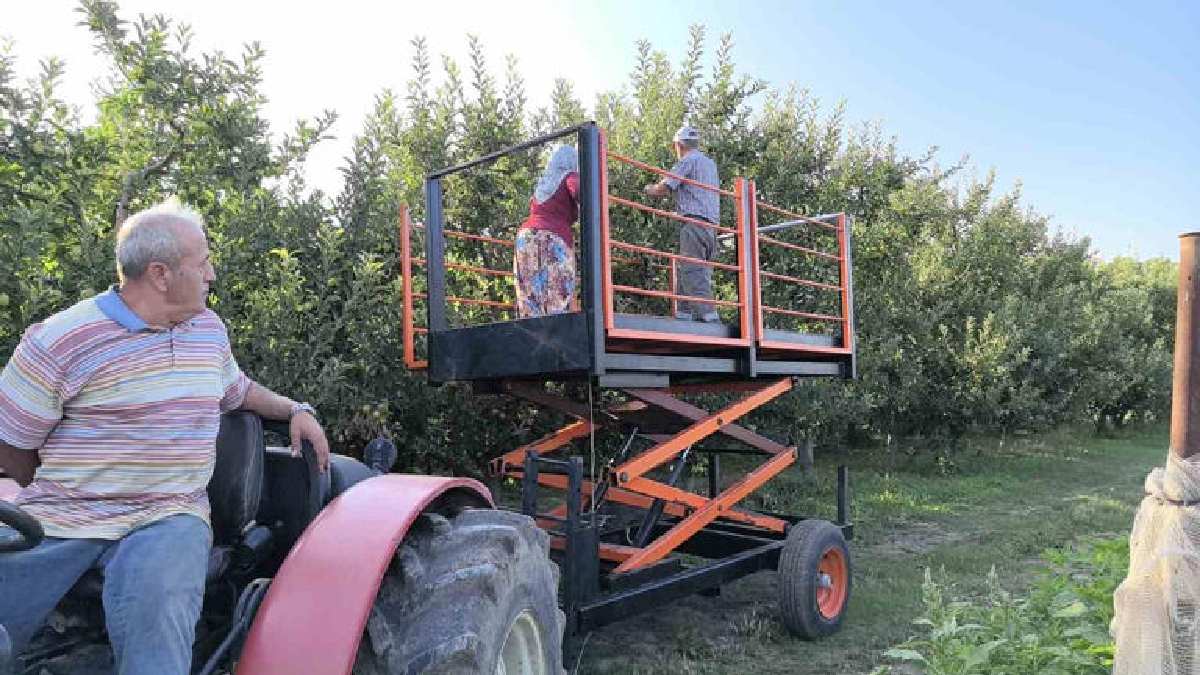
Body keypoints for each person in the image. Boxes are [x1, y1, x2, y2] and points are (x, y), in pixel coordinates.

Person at [0, 199, 330, 675]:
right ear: (160, 274)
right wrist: (67, 494)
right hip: (61, 517)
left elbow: (235, 390)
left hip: (166, 515)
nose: (212, 274)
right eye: (204, 263)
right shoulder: (61, 339)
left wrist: (295, 410)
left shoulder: (208, 331)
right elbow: (11, 447)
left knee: (156, 638)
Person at [643, 124, 721, 323]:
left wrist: (648, 189)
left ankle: (711, 319)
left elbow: (665, 187)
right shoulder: (709, 164)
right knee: (689, 269)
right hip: (711, 228)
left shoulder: (688, 161)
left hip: (694, 224)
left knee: (692, 272)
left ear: (679, 145)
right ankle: (683, 315)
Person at [515, 144, 579, 319]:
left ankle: (532, 335)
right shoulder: (569, 175)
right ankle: (558, 335)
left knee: (530, 294)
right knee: (557, 291)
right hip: (552, 238)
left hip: (525, 238)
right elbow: (580, 192)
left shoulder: (543, 184)